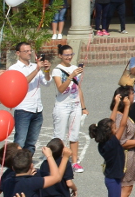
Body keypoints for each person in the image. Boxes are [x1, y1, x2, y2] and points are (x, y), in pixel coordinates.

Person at [8, 41, 52, 154]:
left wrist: (46, 70)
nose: (29, 53)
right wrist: (37, 69)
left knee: (31, 143)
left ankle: (27, 166)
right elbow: (22, 82)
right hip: (23, 109)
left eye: (30, 51)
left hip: (37, 109)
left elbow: (47, 83)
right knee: (20, 141)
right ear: (18, 53)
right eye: (26, 51)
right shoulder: (14, 68)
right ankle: (15, 167)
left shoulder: (34, 66)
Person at [50, 44, 88, 173]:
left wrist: (83, 107)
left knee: (74, 135)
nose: (69, 57)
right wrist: (71, 76)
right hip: (62, 106)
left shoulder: (74, 68)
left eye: (71, 54)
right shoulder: (57, 70)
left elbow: (78, 88)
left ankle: (75, 162)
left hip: (75, 105)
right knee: (59, 136)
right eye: (66, 55)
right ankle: (58, 161)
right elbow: (60, 89)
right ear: (60, 55)